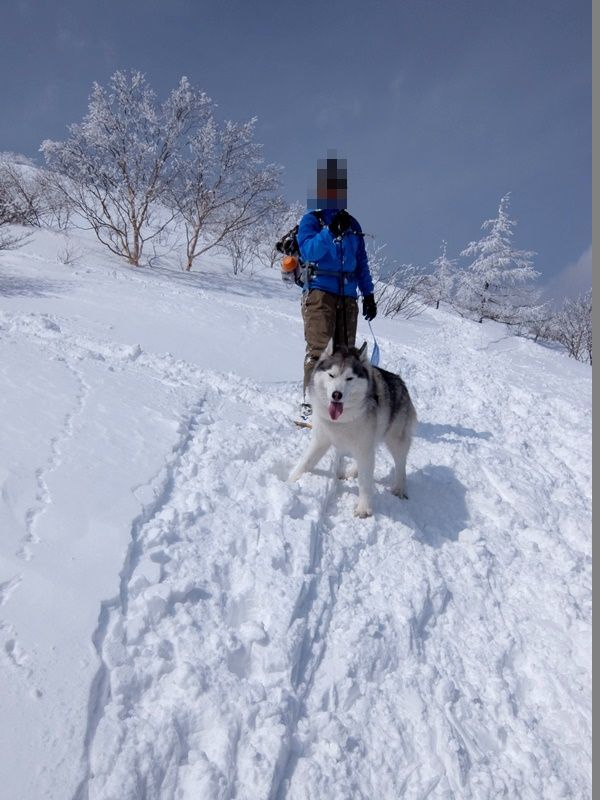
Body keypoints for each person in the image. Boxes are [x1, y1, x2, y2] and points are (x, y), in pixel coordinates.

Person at [296, 153, 377, 421]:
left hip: (348, 296)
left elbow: (361, 262)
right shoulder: (312, 221)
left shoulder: (353, 225)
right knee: (320, 351)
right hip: (320, 292)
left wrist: (368, 294)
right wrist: (330, 232)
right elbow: (308, 251)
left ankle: (339, 409)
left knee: (344, 357)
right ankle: (311, 405)